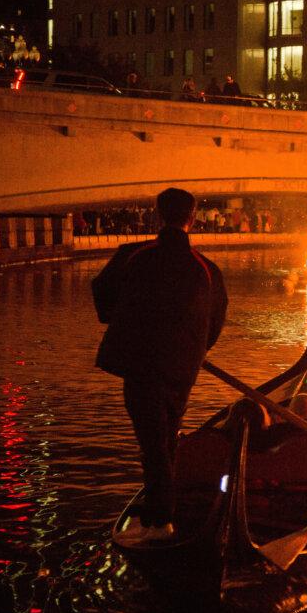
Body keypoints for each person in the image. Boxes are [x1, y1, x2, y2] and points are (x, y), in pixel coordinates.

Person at [92, 187, 228, 542]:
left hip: (140, 363)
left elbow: (102, 291)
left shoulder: (134, 256)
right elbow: (215, 321)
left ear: (156, 215)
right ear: (193, 219)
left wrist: (119, 319)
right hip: (182, 368)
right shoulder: (206, 268)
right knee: (165, 436)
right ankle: (161, 510)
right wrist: (195, 351)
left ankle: (161, 521)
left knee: (152, 442)